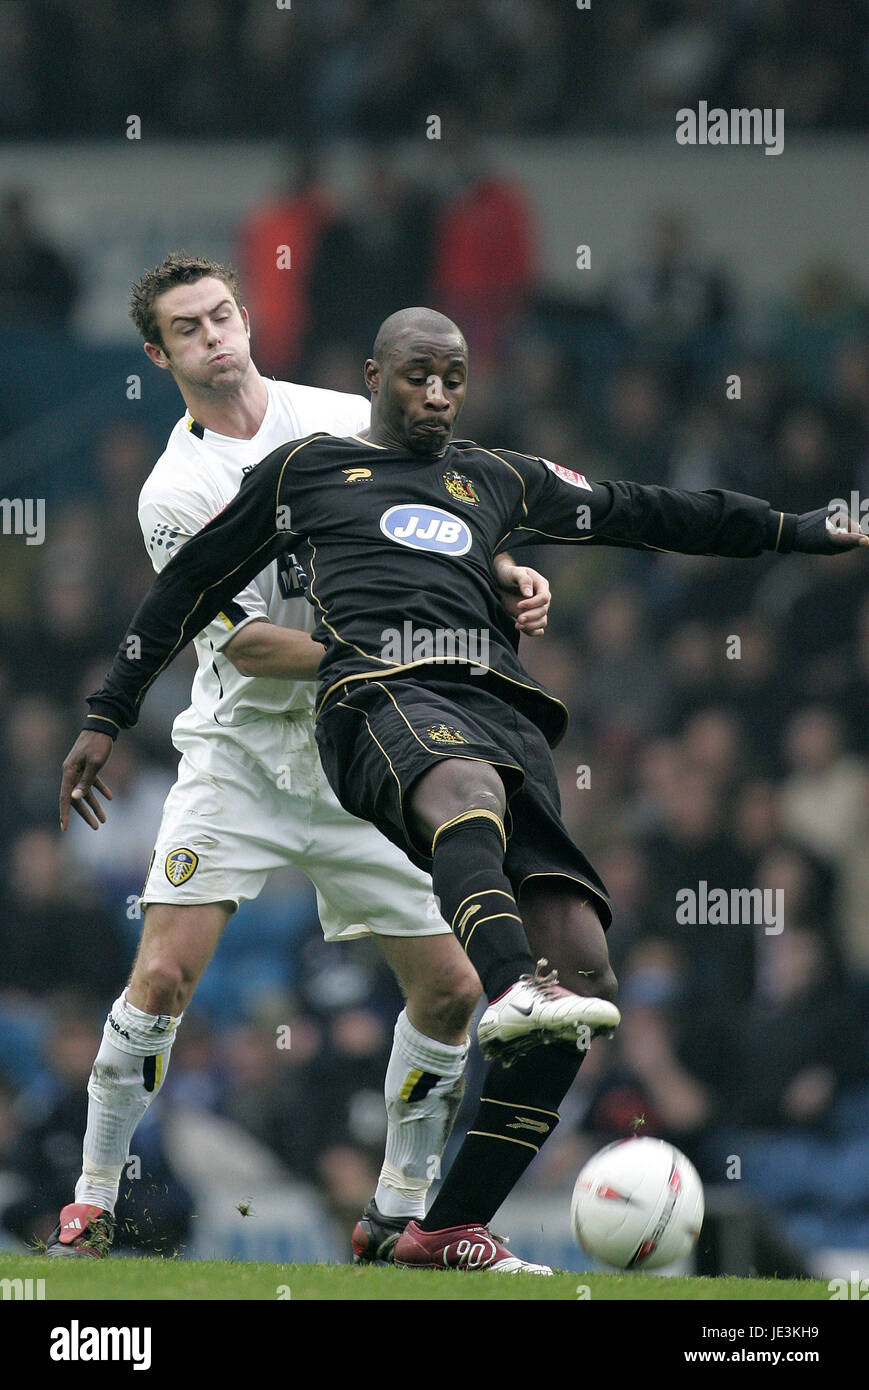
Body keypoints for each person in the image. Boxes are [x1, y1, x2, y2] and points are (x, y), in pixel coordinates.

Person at [61, 305, 867, 1273]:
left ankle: (442, 1224)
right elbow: (183, 590)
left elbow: (637, 506)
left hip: (500, 712)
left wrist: (794, 527)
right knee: (462, 796)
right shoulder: (304, 471)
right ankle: (505, 983)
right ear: (372, 374)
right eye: (416, 376)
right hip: (371, 701)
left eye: (452, 377)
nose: (436, 395)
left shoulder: (492, 475)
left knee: (587, 981)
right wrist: (107, 714)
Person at [49, 259, 553, 1269]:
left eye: (224, 313)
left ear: (246, 318)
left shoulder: (336, 416)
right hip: (242, 755)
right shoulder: (176, 489)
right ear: (159, 354)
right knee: (162, 975)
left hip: (359, 747)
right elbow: (239, 644)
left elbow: (446, 507)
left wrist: (503, 572)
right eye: (187, 328)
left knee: (452, 989)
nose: (214, 335)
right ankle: (92, 1203)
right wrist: (413, 646)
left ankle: (398, 1216)